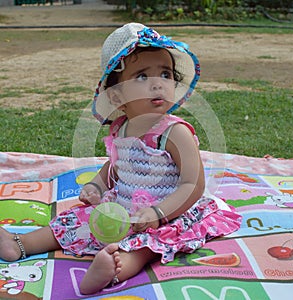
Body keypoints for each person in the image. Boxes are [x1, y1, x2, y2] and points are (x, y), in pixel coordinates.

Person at [0, 23, 242, 295]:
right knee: (75, 220)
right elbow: (115, 166)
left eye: (166, 74)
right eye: (141, 76)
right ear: (117, 96)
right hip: (123, 209)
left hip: (170, 212)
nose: (157, 82)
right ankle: (21, 244)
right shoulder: (122, 128)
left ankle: (113, 268)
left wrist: (158, 213)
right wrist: (97, 186)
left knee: (146, 245)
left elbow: (192, 184)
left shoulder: (175, 132)